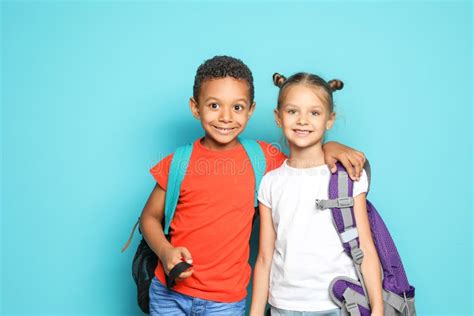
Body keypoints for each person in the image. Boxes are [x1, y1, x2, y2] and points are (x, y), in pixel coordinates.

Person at [140, 56, 367, 315]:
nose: (225, 117)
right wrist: (165, 250)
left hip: (224, 302)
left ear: (251, 110)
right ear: (195, 107)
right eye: (214, 105)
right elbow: (149, 218)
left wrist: (330, 146)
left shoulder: (263, 158)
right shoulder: (179, 162)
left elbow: (305, 159)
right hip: (169, 294)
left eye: (237, 107)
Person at [250, 72, 383, 316]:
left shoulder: (348, 176)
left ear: (329, 119)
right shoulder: (270, 183)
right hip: (283, 305)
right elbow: (264, 259)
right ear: (278, 117)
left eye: (314, 112)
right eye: (292, 111)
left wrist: (377, 308)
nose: (303, 120)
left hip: (337, 304)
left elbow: (366, 246)